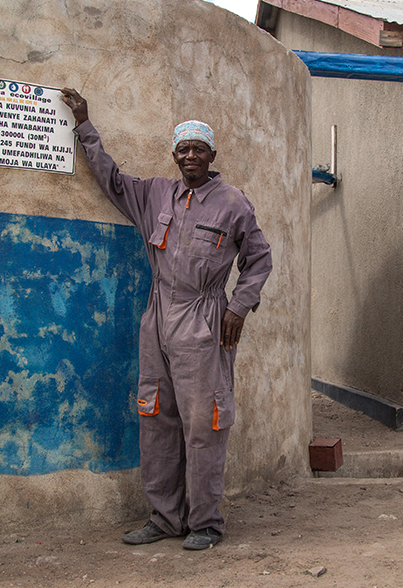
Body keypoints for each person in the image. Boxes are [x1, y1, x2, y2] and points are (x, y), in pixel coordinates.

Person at [60, 88, 272, 551]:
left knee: (204, 424)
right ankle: (164, 518)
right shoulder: (155, 194)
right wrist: (83, 125)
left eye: (199, 149)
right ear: (174, 155)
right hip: (157, 319)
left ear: (212, 155)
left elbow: (259, 259)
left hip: (204, 319)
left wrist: (238, 306)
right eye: (183, 149)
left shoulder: (233, 203)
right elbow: (110, 178)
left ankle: (206, 523)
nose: (190, 155)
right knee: (155, 417)